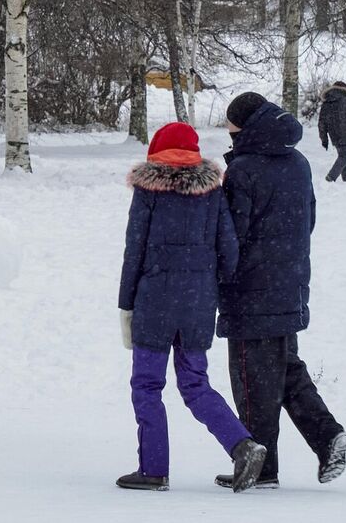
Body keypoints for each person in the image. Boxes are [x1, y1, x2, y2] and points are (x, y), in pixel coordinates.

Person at [115, 122, 268, 493]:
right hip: (198, 301)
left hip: (154, 300)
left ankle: (153, 469)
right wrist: (208, 285)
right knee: (195, 384)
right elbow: (228, 251)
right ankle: (242, 445)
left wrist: (125, 306)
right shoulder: (212, 192)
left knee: (147, 385)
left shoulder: (148, 190)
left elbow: (133, 251)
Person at [215, 91, 346, 490]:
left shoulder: (243, 170)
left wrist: (221, 275)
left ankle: (262, 468)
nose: (227, 130)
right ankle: (327, 437)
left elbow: (231, 237)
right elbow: (307, 220)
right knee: (285, 370)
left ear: (244, 125)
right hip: (288, 284)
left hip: (250, 291)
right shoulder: (298, 162)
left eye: (230, 123)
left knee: (251, 379)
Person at [317, 81, 346, 182]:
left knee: (344, 157)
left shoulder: (326, 103)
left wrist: (324, 139)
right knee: (344, 156)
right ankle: (331, 177)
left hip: (334, 136)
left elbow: (322, 123)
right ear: (345, 89)